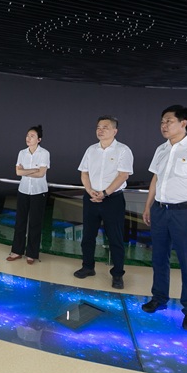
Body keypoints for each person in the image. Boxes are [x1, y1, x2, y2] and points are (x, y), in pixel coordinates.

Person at [141, 105, 187, 331]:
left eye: (169, 121)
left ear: (183, 123)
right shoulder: (161, 149)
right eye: (162, 122)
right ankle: (159, 298)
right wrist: (148, 206)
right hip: (160, 211)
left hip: (185, 213)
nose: (164, 125)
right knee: (159, 258)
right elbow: (155, 180)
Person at [74, 115, 134, 289]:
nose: (100, 130)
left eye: (105, 127)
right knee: (88, 236)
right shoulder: (91, 149)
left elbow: (123, 175)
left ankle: (117, 274)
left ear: (115, 131)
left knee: (115, 238)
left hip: (112, 200)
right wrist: (89, 190)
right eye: (98, 127)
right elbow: (84, 173)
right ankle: (88, 266)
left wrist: (105, 193)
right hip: (91, 197)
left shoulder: (123, 150)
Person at [6, 125, 50, 265]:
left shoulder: (44, 153)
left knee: (35, 223)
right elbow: (18, 172)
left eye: (32, 136)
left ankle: (32, 253)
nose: (28, 138)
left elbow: (41, 174)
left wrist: (26, 171)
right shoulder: (22, 153)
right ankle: (17, 251)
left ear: (39, 139)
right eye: (27, 135)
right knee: (20, 221)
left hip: (39, 191)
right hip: (23, 190)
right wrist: (33, 170)